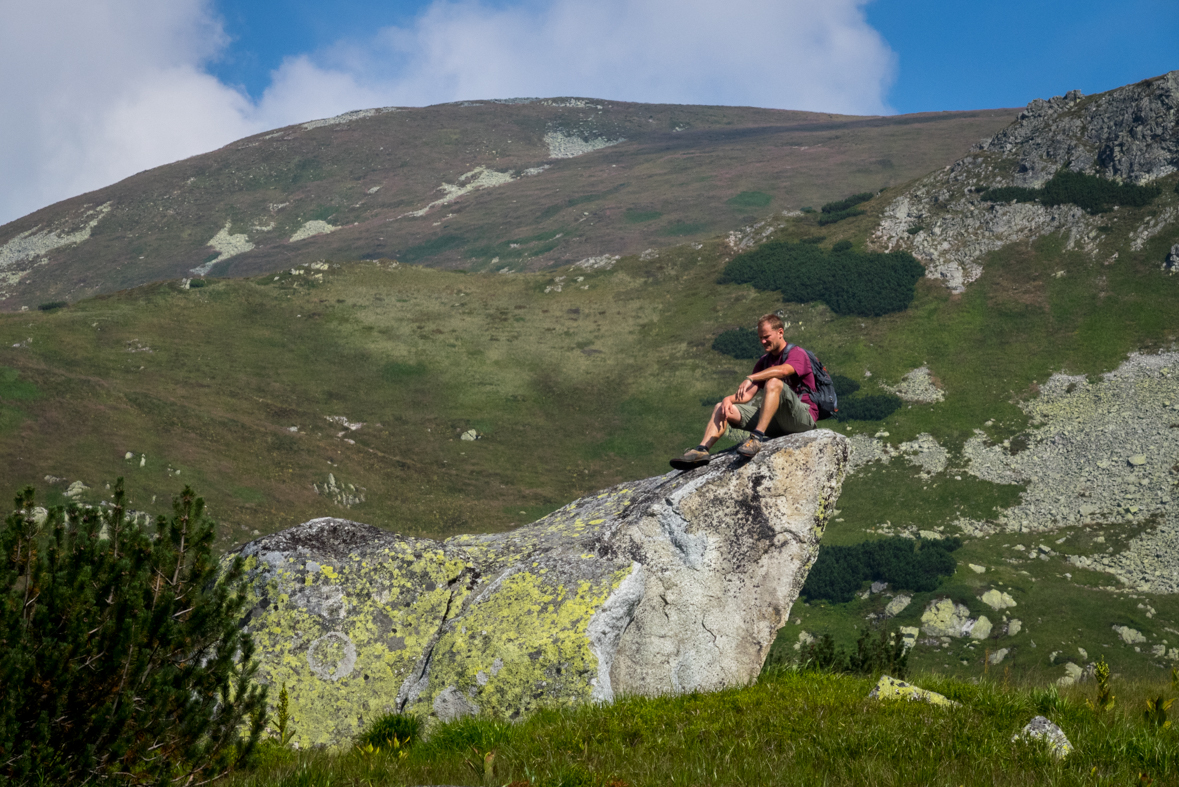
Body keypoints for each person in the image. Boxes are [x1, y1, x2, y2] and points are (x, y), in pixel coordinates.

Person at [670, 313, 817, 469]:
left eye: (766, 336)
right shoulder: (765, 361)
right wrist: (729, 400)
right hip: (777, 422)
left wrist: (751, 377)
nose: (763, 341)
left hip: (802, 418)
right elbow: (747, 395)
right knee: (723, 406)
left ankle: (756, 438)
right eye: (760, 337)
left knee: (774, 381)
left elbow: (783, 371)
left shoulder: (797, 354)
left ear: (780, 332)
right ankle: (702, 450)